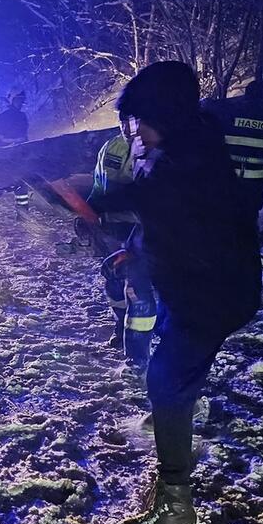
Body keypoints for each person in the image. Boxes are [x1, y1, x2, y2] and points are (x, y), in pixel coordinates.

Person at [89, 62, 261, 524]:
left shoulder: (187, 164)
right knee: (173, 363)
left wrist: (79, 200)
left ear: (164, 116)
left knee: (164, 379)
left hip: (211, 295)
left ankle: (176, 505)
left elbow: (149, 202)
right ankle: (181, 410)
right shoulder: (187, 146)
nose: (134, 132)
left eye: (140, 121)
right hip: (201, 287)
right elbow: (161, 219)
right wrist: (133, 249)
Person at [89, 126, 157, 371]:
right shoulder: (112, 147)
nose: (129, 127)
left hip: (144, 230)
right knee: (112, 278)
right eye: (124, 121)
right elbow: (100, 184)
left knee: (137, 289)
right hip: (112, 227)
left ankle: (138, 357)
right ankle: (121, 324)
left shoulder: (157, 150)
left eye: (134, 120)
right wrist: (89, 212)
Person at [208, 80, 263, 219]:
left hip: (228, 176)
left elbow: (216, 140)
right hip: (255, 180)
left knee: (225, 215)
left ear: (246, 94)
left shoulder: (230, 114)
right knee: (249, 217)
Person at [0, 89, 31, 221]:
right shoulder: (3, 117)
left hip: (18, 156)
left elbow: (24, 137)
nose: (20, 103)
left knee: (21, 185)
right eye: (18, 100)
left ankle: (22, 214)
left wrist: (26, 151)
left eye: (21, 100)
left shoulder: (22, 116)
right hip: (3, 157)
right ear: (11, 101)